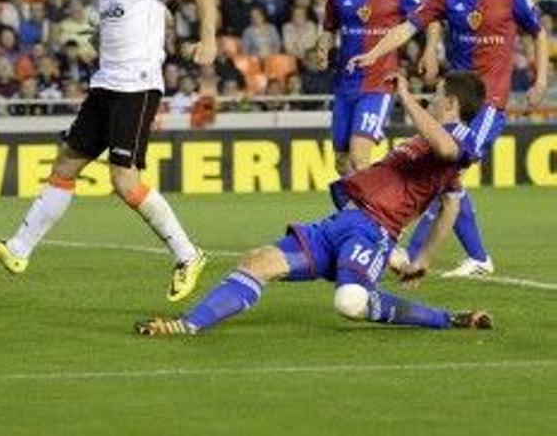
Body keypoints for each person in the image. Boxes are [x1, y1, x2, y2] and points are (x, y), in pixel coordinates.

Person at [0, 0, 218, 302]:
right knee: (66, 165)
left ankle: (189, 256)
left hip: (134, 91)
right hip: (105, 86)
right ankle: (18, 249)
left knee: (124, 182)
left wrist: (209, 41)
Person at [136, 72, 494, 336]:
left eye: (437, 95)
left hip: (372, 232)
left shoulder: (459, 138)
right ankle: (187, 325)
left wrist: (405, 96)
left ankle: (446, 318)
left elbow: (447, 156)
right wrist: (421, 260)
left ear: (451, 104)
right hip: (341, 223)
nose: (430, 98)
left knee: (350, 303)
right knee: (258, 261)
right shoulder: (433, 146)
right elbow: (451, 205)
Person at [351, 0, 547, 278]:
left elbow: (539, 32)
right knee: (447, 177)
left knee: (445, 173)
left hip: (488, 103)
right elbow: (408, 27)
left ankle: (412, 258)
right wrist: (374, 53)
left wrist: (541, 78)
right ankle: (476, 258)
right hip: (451, 105)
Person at [315, 0, 419, 174]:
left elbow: (426, 20)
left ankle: (369, 213)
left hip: (378, 84)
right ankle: (353, 210)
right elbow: (329, 29)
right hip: (345, 84)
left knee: (359, 156)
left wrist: (427, 54)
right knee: (342, 162)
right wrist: (323, 48)